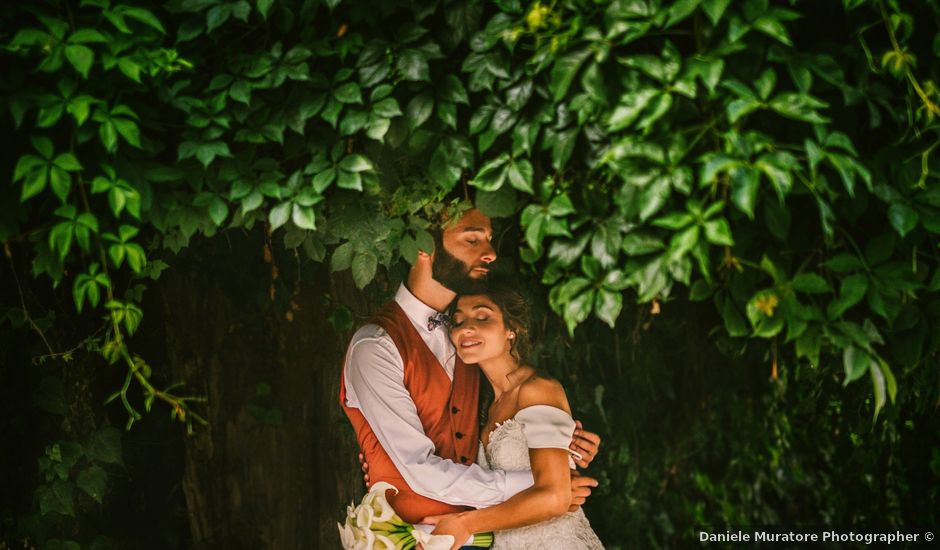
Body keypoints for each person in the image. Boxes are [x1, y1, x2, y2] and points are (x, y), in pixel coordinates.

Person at [340, 206, 602, 531]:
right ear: (421, 244)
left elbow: (507, 422)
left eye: (489, 239)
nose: (490, 253)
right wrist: (541, 482)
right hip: (416, 536)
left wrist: (565, 448)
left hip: (490, 533)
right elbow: (416, 467)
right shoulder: (376, 346)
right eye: (472, 239)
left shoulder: (467, 343)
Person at [423, 278, 604, 549]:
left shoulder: (536, 389)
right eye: (458, 321)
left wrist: (466, 523)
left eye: (482, 317)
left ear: (512, 329)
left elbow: (554, 497)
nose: (466, 328)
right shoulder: (482, 403)